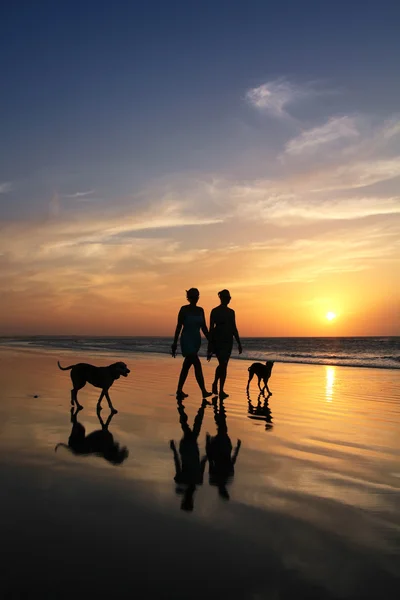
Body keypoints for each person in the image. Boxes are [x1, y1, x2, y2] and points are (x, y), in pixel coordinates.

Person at [171, 288, 212, 399]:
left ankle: (179, 390)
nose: (196, 298)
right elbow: (178, 326)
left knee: (186, 366)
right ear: (189, 298)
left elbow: (204, 327)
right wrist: (174, 343)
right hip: (186, 339)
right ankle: (203, 391)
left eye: (197, 296)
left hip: (196, 340)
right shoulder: (184, 309)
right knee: (197, 364)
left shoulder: (200, 310)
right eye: (193, 296)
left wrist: (211, 341)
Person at [207, 289, 242, 398]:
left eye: (229, 298)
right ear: (221, 298)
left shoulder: (231, 312)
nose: (228, 299)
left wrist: (239, 342)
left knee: (224, 365)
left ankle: (220, 388)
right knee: (222, 363)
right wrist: (210, 345)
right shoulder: (215, 311)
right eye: (226, 297)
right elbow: (211, 329)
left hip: (228, 341)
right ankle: (216, 385)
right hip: (218, 340)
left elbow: (234, 328)